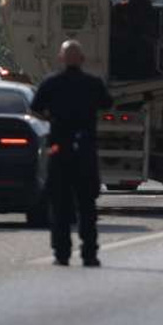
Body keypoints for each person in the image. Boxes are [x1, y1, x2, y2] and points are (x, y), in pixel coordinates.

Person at [31, 40, 113, 267]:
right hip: (85, 150)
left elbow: (35, 108)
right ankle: (89, 253)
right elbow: (107, 104)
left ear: (60, 58)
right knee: (87, 205)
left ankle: (62, 253)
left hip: (59, 149)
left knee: (60, 205)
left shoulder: (51, 83)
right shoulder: (92, 84)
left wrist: (52, 120)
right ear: (83, 59)